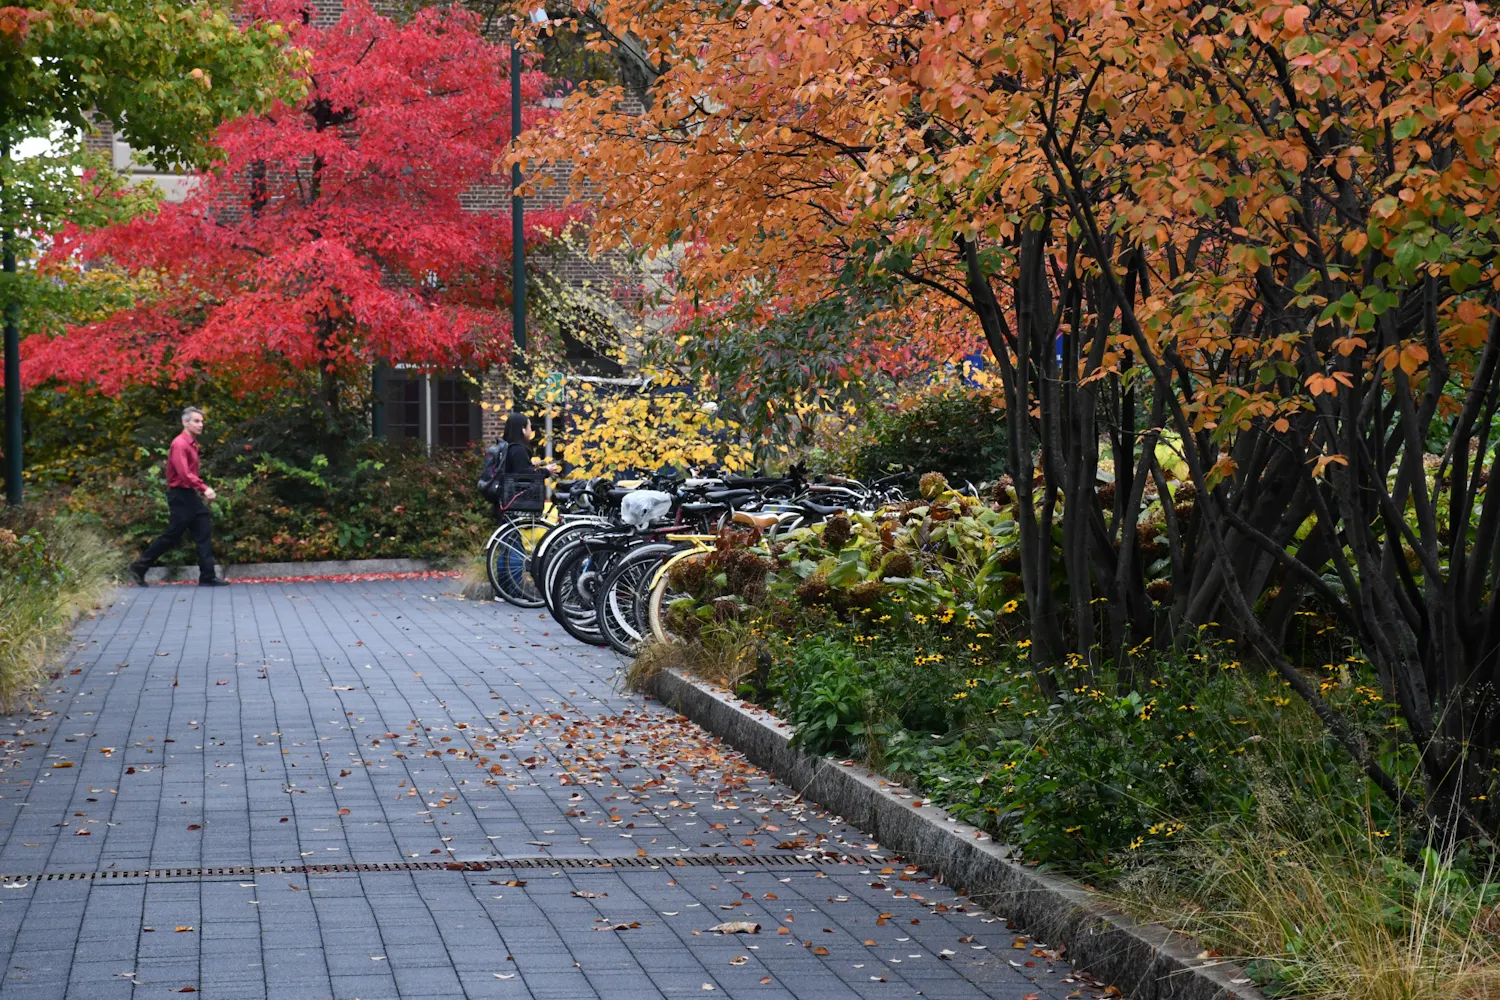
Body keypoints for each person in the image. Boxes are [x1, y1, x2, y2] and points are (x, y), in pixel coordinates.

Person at [127, 406, 230, 587]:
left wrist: (198, 489)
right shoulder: (180, 444)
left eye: (201, 421)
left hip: (189, 495)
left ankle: (207, 575)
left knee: (203, 529)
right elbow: (184, 473)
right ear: (185, 422)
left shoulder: (191, 443)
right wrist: (204, 488)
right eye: (196, 421)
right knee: (172, 535)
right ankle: (139, 566)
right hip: (180, 496)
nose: (201, 425)